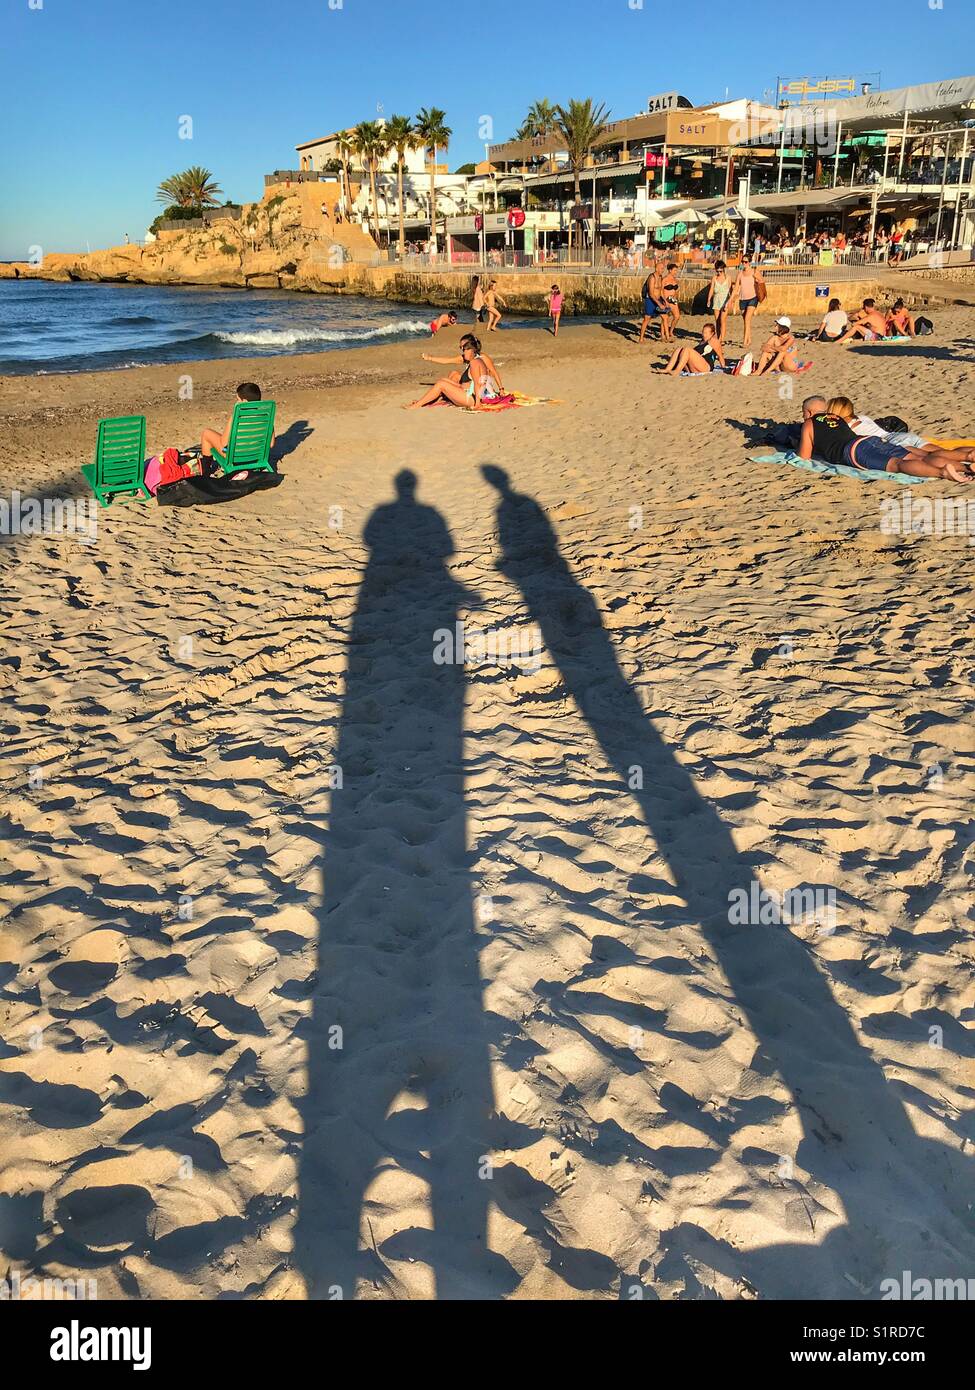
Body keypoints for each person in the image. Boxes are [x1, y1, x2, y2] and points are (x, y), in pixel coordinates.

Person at [799, 396, 975, 481]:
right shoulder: (838, 418)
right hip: (870, 440)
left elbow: (804, 457)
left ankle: (942, 472)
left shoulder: (808, 424)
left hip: (854, 450)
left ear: (808, 412)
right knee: (923, 457)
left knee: (897, 465)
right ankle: (966, 468)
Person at [406, 337, 502, 409]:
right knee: (443, 380)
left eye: (464, 349)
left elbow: (477, 383)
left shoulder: (475, 362)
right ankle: (424, 401)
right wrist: (430, 358)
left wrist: (478, 404)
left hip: (470, 398)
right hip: (469, 393)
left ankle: (417, 405)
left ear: (472, 350)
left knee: (441, 384)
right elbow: (447, 360)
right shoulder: (477, 360)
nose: (463, 352)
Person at [200, 382, 275, 467]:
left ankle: (205, 468)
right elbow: (271, 444)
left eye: (238, 400)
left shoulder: (236, 417)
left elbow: (224, 443)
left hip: (235, 457)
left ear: (245, 401)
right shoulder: (267, 416)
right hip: (256, 457)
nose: (237, 402)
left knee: (207, 433)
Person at [422, 332, 504, 391]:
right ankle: (446, 392)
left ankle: (445, 392)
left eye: (463, 346)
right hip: (469, 383)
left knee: (453, 378)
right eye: (461, 347)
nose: (461, 349)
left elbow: (494, 372)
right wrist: (430, 358)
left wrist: (501, 389)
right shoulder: (464, 357)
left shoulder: (482, 357)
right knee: (454, 374)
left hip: (478, 387)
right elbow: (447, 360)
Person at [657, 322, 726, 375]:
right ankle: (667, 369)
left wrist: (724, 368)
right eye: (703, 332)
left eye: (705, 333)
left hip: (706, 367)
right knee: (679, 349)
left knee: (687, 349)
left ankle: (677, 371)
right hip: (695, 368)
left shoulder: (714, 341)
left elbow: (720, 356)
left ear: (712, 333)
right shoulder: (702, 341)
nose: (703, 334)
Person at [734, 255, 764, 349]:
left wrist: (757, 279)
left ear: (750, 262)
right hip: (742, 299)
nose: (744, 264)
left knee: (747, 319)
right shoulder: (740, 273)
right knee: (746, 321)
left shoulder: (755, 271)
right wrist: (732, 299)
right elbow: (736, 288)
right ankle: (749, 338)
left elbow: (762, 281)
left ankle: (745, 341)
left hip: (753, 298)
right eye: (742, 262)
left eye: (746, 262)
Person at [638, 263, 668, 344]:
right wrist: (659, 304)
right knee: (647, 319)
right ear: (657, 269)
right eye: (661, 268)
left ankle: (665, 336)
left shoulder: (660, 277)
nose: (663, 270)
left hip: (658, 300)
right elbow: (651, 293)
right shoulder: (652, 278)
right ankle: (641, 338)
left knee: (665, 317)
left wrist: (665, 301)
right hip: (650, 300)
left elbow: (661, 291)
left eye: (663, 268)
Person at [706, 260, 733, 342]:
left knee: (722, 320)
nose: (719, 273)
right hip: (716, 300)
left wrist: (731, 301)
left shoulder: (728, 278)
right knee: (717, 321)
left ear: (724, 269)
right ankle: (718, 337)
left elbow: (731, 291)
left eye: (721, 271)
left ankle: (722, 339)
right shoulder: (714, 278)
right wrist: (708, 300)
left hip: (725, 301)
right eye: (717, 271)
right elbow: (711, 290)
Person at [659, 261, 681, 342]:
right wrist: (664, 300)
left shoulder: (675, 279)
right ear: (670, 270)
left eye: (676, 270)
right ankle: (662, 334)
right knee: (665, 318)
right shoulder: (664, 279)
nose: (676, 272)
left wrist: (675, 296)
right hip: (666, 300)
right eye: (675, 270)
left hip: (673, 300)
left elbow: (677, 289)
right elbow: (661, 290)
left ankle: (671, 331)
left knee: (677, 316)